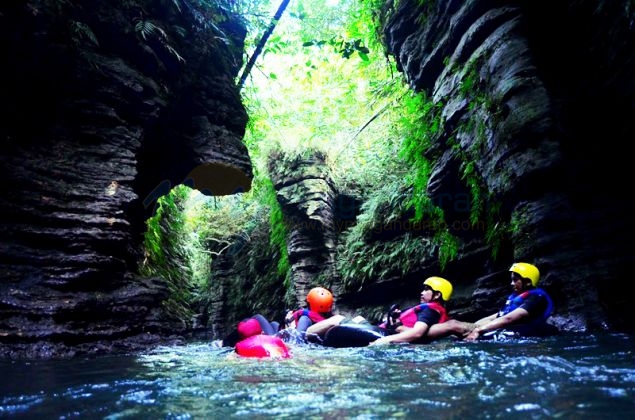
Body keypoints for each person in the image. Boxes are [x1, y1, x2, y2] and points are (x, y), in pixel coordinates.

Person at [426, 262, 554, 341]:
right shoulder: (516, 296)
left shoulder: (535, 297)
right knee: (457, 329)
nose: (512, 283)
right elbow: (499, 315)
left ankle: (420, 338)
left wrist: (478, 330)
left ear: (527, 281)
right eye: (512, 280)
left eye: (515, 280)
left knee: (454, 326)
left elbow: (509, 319)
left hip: (518, 332)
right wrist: (475, 326)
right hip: (504, 329)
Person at [368, 276, 453, 345]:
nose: (422, 293)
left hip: (381, 334)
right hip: (382, 331)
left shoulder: (430, 310)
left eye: (426, 289)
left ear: (437, 295)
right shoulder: (433, 310)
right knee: (358, 319)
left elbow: (417, 333)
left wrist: (383, 341)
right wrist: (396, 321)